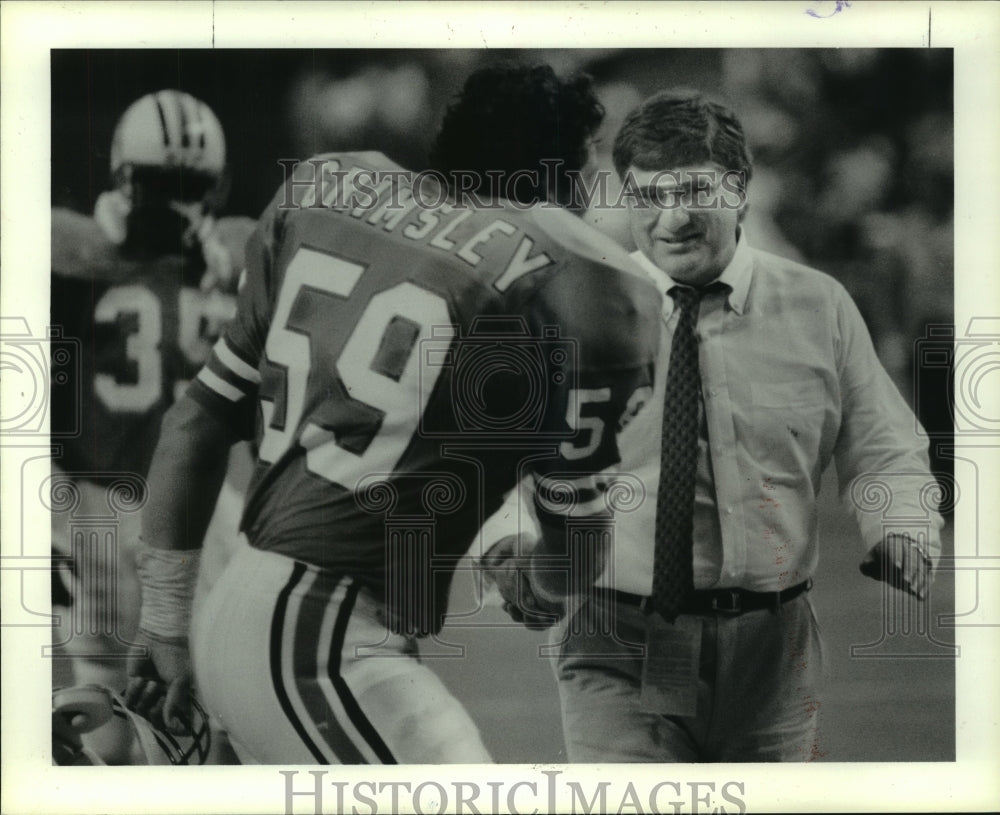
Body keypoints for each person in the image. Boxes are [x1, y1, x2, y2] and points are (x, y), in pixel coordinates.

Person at [124, 63, 661, 764]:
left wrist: (166, 625)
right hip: (316, 634)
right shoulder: (556, 283)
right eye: (585, 176)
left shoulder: (333, 199)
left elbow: (192, 428)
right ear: (558, 183)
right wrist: (541, 578)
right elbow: (577, 544)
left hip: (244, 606)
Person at [483, 88, 944, 762]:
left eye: (694, 190)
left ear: (741, 189)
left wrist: (900, 525)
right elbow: (493, 455)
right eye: (646, 197)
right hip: (617, 637)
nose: (671, 219)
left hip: (772, 648)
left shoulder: (819, 305)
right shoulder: (573, 310)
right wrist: (508, 547)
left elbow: (883, 444)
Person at [50, 89, 254, 763]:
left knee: (114, 700)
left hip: (100, 512)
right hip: (179, 517)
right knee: (200, 710)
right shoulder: (236, 258)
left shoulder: (66, 251)